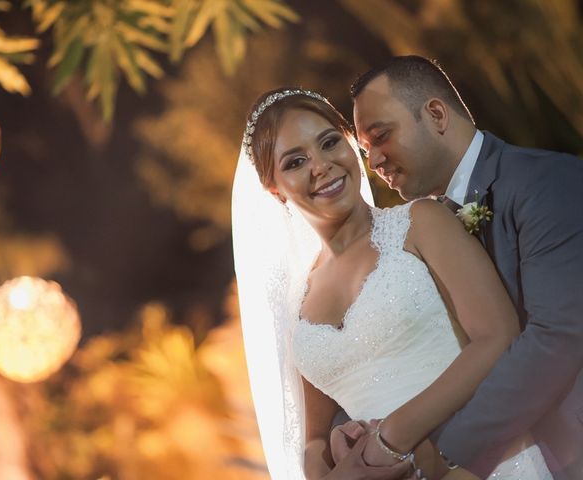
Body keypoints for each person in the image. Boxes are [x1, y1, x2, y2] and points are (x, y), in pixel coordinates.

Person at [232, 88, 550, 479]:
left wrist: (390, 440)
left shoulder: (420, 222)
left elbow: (498, 337)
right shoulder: (299, 299)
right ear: (274, 189)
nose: (321, 166)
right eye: (296, 162)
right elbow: (314, 438)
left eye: (330, 142)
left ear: (352, 145)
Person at [349, 55, 583, 480]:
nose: (375, 163)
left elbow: (558, 336)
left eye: (380, 136)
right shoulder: (432, 227)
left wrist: (450, 456)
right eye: (365, 152)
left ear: (436, 114)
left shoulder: (545, 181)